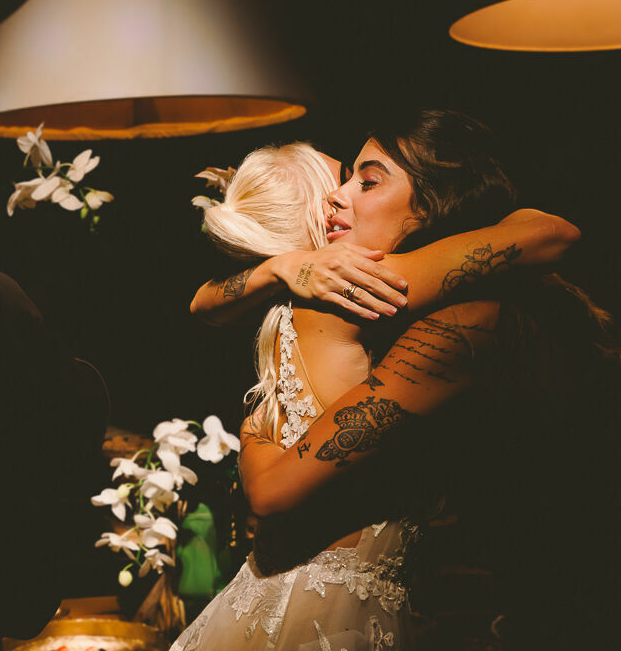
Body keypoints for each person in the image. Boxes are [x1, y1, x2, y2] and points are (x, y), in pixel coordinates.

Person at [171, 111, 596, 650]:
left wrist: (279, 267)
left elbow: (203, 302)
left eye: (364, 180)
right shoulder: (361, 286)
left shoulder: (324, 294)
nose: (340, 197)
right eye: (341, 181)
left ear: (429, 201)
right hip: (325, 604)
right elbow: (551, 232)